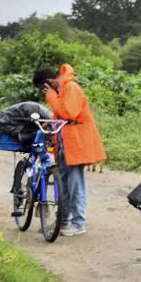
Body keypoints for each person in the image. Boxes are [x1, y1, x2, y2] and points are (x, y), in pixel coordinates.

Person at [33, 65, 105, 237]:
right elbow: (60, 114)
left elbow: (69, 113)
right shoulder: (62, 90)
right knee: (63, 184)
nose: (46, 92)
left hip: (77, 142)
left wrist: (50, 96)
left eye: (44, 88)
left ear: (48, 82)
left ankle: (78, 223)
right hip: (65, 143)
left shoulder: (71, 87)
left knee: (75, 184)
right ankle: (63, 222)